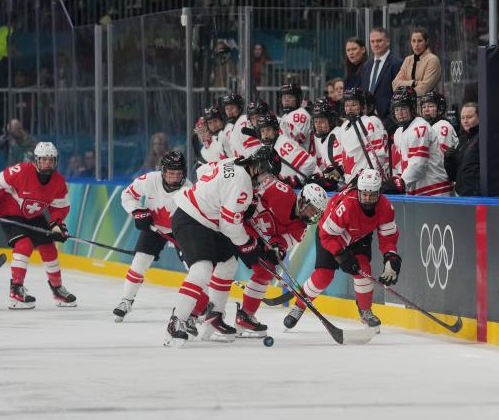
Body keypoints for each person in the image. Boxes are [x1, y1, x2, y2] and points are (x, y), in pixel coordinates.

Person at [165, 147, 278, 347]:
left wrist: (218, 196)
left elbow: (203, 171)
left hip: (206, 220)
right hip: (191, 218)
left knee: (228, 263)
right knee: (202, 269)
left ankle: (213, 316)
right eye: (266, 174)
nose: (264, 180)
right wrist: (247, 244)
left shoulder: (234, 161)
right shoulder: (243, 184)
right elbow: (229, 225)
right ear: (259, 167)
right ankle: (177, 321)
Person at [284, 169, 401, 330]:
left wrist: (391, 257)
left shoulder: (386, 207)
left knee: (363, 270)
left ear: (379, 193)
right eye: (364, 194)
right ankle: (299, 306)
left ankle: (365, 311)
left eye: (372, 195)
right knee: (324, 276)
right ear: (358, 190)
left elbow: (388, 238)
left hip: (359, 236)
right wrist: (341, 255)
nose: (367, 199)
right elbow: (326, 235)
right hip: (330, 234)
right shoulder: (347, 205)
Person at [0, 142, 76, 309]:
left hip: (33, 216)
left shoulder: (58, 182)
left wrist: (57, 226)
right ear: (36, 160)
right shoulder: (21, 171)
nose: (47, 163)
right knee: (24, 245)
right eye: (44, 160)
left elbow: (59, 207)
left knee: (49, 247)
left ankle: (57, 289)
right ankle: (15, 291)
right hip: (10, 212)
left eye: (51, 160)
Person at [237, 181, 328, 336]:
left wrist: (277, 250)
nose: (313, 215)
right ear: (303, 200)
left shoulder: (300, 229)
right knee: (221, 263)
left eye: (316, 212)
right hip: (236, 222)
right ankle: (207, 308)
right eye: (312, 209)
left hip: (252, 237)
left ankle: (245, 316)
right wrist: (247, 205)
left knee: (266, 271)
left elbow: (282, 243)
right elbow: (252, 186)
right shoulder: (282, 192)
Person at [113, 151, 191, 321]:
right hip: (153, 227)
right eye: (171, 173)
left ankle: (199, 306)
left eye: (178, 174)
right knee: (140, 261)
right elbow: (127, 195)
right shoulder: (149, 179)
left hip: (179, 230)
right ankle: (126, 300)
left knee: (195, 268)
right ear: (163, 171)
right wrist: (137, 211)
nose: (174, 178)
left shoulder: (189, 189)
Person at [389, 86, 452, 196]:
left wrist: (400, 182)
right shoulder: (399, 132)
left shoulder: (420, 127)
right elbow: (401, 164)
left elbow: (418, 165)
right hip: (417, 191)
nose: (399, 113)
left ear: (412, 108)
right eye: (397, 109)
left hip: (434, 190)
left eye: (403, 108)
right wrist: (396, 178)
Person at [337, 87, 389, 184]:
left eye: (354, 104)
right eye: (347, 105)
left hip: (366, 183)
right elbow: (343, 155)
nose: (350, 108)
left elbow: (378, 156)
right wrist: (338, 170)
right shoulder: (344, 126)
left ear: (361, 106)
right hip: (349, 182)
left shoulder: (369, 123)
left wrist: (366, 176)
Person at [257, 112, 320, 188]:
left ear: (275, 130)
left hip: (313, 185)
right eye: (263, 131)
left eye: (268, 130)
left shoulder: (283, 143)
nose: (265, 134)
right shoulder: (267, 147)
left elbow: (310, 163)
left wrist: (296, 180)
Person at [360, 27, 403, 123]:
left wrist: (389, 122)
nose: (375, 44)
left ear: (388, 41)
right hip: (368, 121)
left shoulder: (397, 63)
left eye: (379, 41)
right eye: (372, 41)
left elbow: (398, 95)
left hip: (388, 121)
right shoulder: (367, 66)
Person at [392, 27, 441, 97]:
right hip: (407, 106)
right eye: (413, 41)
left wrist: (405, 93)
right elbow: (395, 84)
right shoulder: (408, 59)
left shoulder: (432, 60)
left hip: (426, 105)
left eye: (420, 41)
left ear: (426, 41)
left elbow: (425, 88)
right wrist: (413, 83)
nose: (416, 44)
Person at [444, 103, 480, 196]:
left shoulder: (483, 138)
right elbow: (454, 175)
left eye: (469, 117)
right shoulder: (462, 140)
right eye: (462, 118)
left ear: (480, 117)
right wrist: (449, 160)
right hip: (462, 195)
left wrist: (478, 190)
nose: (465, 121)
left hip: (478, 196)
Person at [310, 98, 344, 189]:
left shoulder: (336, 134)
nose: (318, 125)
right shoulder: (323, 138)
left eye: (322, 121)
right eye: (316, 121)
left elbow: (337, 172)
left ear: (331, 120)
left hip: (343, 187)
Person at [278, 83, 313, 153]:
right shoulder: (285, 116)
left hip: (301, 160)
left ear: (298, 99)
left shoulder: (301, 114)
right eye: (284, 97)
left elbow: (295, 140)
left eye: (290, 97)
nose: (286, 100)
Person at [221, 92, 245, 158]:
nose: (229, 111)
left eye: (232, 107)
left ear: (239, 108)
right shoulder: (226, 130)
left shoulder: (246, 121)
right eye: (227, 108)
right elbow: (228, 153)